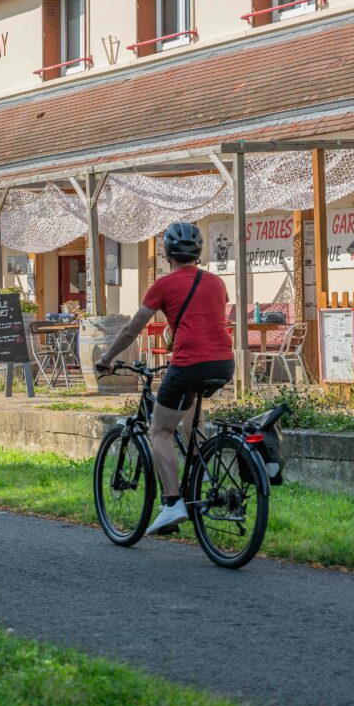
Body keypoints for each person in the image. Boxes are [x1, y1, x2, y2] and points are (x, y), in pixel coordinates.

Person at [95, 221, 234, 535]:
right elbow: (205, 319)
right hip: (223, 364)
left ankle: (172, 504)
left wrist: (107, 359)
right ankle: (199, 486)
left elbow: (132, 329)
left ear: (168, 253)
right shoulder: (216, 283)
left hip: (188, 364)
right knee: (192, 421)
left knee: (159, 429)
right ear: (198, 252)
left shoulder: (163, 285)